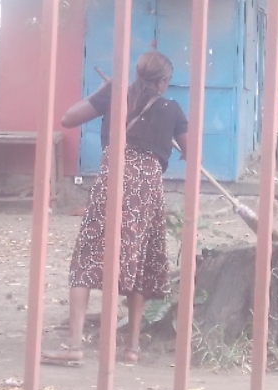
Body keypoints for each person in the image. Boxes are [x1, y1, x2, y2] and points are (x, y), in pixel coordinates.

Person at [42, 50, 188, 366]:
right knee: (141, 259)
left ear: (137, 75)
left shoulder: (115, 95)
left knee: (88, 257)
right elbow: (192, 153)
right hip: (147, 193)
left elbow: (68, 118)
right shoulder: (172, 109)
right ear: (163, 82)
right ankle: (132, 348)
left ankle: (73, 346)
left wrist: (108, 92)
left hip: (112, 185)